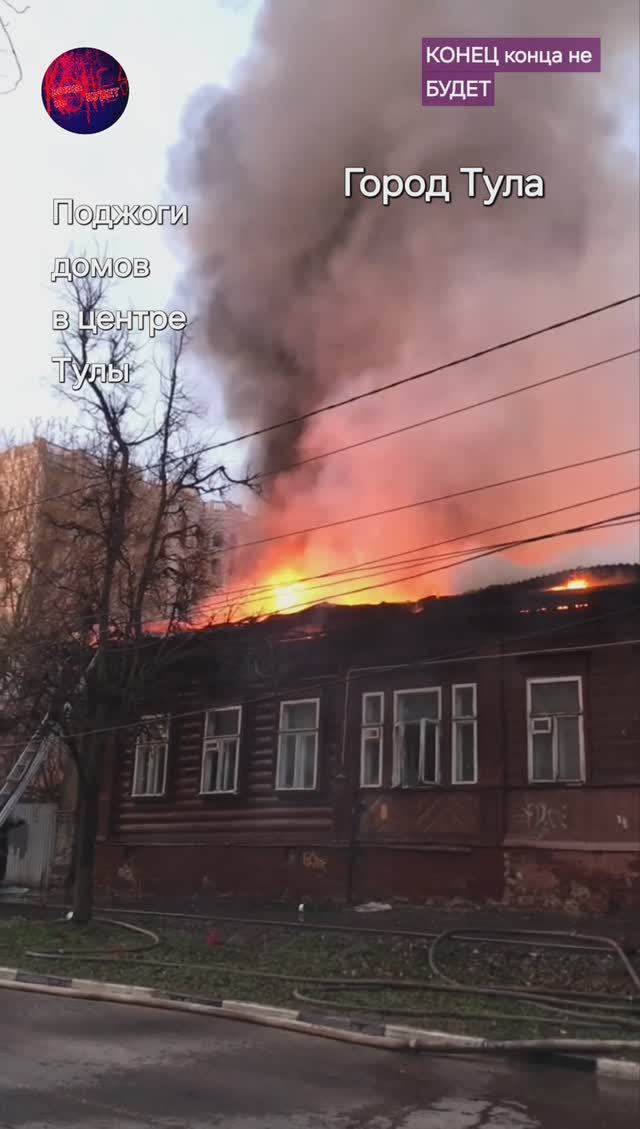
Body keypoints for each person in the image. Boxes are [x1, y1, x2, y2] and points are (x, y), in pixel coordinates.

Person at [0, 815, 25, 883]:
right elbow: (13, 825)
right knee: (2, 866)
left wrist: (20, 822)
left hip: (3, 850)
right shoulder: (5, 821)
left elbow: (13, 825)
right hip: (3, 850)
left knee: (2, 867)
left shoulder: (5, 821)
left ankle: (1, 879)